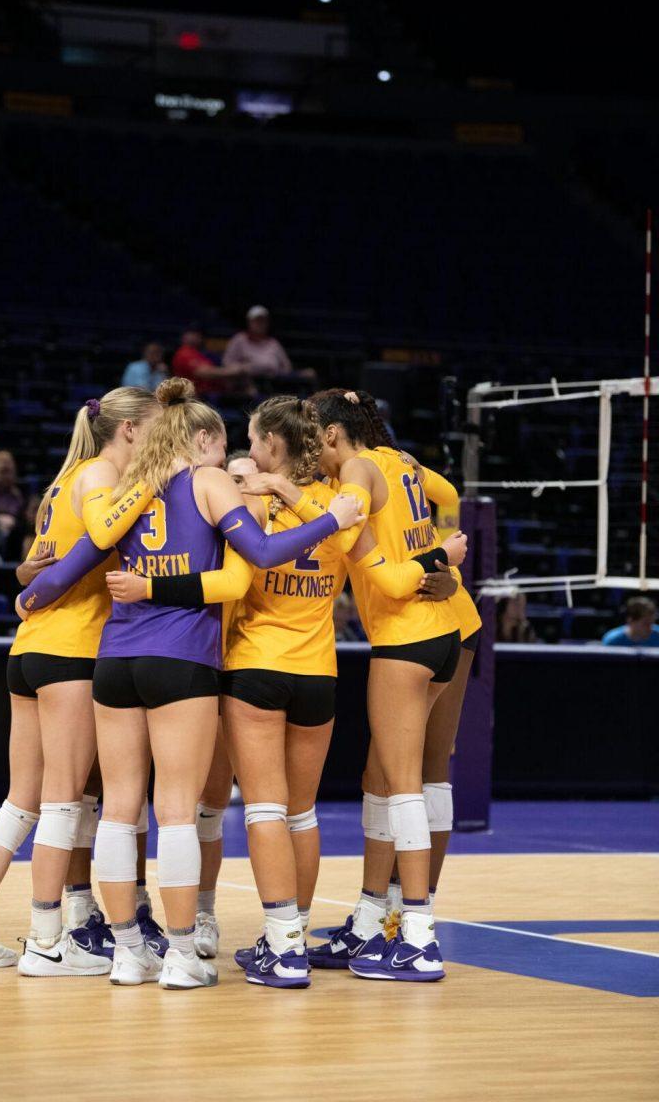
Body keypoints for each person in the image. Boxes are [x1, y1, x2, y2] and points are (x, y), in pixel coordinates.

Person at [18, 378, 362, 989]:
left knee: (121, 813)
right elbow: (256, 551)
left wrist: (29, 594)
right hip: (182, 662)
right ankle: (181, 953)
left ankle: (126, 952)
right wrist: (330, 518)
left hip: (115, 661)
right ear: (201, 438)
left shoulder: (130, 489)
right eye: (224, 441)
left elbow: (74, 563)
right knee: (177, 811)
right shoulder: (209, 484)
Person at [0, 387, 164, 977]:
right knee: (62, 803)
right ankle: (47, 941)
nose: (163, 438)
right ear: (129, 431)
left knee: (22, 803)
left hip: (30, 652)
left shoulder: (63, 481)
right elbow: (101, 537)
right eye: (157, 429)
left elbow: (42, 559)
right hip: (69, 653)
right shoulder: (100, 480)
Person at [302, 389, 465, 984]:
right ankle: (375, 922)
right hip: (443, 635)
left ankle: (417, 935)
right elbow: (447, 499)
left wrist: (430, 561)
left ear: (330, 436)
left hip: (406, 636)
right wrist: (446, 557)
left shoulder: (357, 470)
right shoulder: (400, 461)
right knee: (389, 779)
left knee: (403, 788)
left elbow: (388, 576)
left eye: (311, 437)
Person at [222, 306, 298, 379]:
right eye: (256, 321)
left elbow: (287, 367)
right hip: (246, 383)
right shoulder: (239, 339)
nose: (260, 324)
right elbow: (226, 363)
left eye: (262, 321)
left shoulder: (274, 343)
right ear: (249, 322)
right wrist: (242, 368)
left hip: (273, 383)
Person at [171, 329, 246, 399]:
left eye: (197, 334)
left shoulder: (201, 353)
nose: (195, 337)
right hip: (195, 397)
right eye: (192, 334)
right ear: (184, 336)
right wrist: (232, 371)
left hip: (211, 394)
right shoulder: (184, 352)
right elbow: (203, 373)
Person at [0, 451, 24, 537]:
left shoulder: (16, 494)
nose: (6, 476)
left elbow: (22, 519)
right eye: (2, 471)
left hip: (14, 534)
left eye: (9, 472)